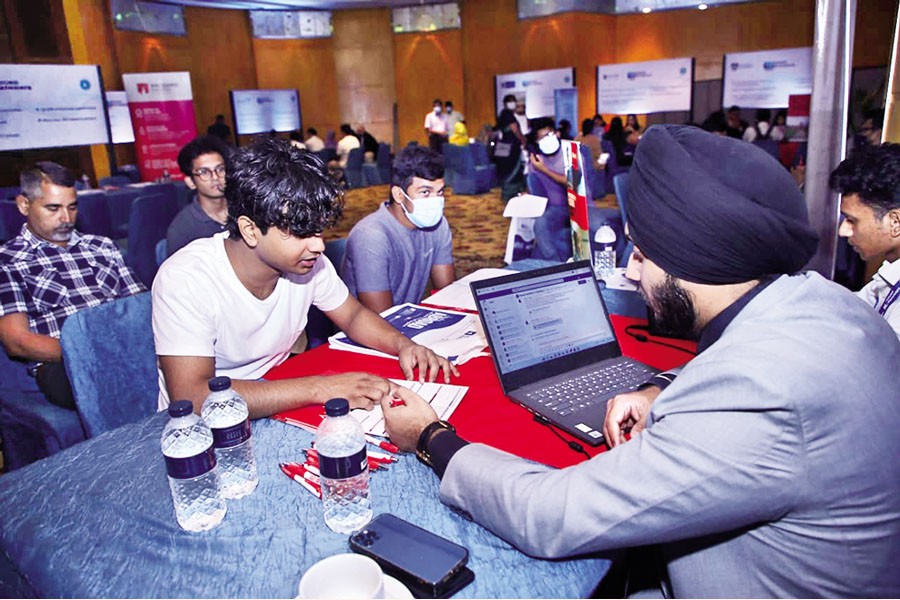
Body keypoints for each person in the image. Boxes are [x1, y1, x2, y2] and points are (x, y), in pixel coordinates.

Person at [378, 125, 900, 598]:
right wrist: (663, 386)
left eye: (644, 255)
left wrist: (431, 436)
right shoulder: (828, 302)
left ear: (691, 262)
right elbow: (754, 358)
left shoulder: (758, 396)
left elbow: (551, 515)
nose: (632, 272)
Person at [152, 138, 456, 417]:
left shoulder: (310, 264)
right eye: (300, 232)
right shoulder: (186, 278)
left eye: (318, 230)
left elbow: (352, 316)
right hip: (208, 427)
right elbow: (193, 397)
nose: (318, 245)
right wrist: (321, 388)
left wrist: (404, 345)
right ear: (249, 230)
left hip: (280, 392)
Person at [0, 162, 145, 408]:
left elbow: (141, 306)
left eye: (72, 207)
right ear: (24, 205)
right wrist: (91, 350)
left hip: (124, 349)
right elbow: (18, 341)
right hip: (63, 364)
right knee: (121, 384)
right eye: (53, 208)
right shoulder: (9, 259)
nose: (66, 218)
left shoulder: (102, 246)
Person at [341, 146, 455, 314]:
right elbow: (380, 318)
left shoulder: (438, 225)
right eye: (425, 192)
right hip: (366, 333)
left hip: (406, 321)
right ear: (399, 195)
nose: (435, 201)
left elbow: (447, 294)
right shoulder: (371, 235)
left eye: (440, 192)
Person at [830, 143, 900, 338]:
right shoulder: (889, 275)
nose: (843, 231)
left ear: (895, 222)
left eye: (852, 220)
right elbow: (845, 309)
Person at [168, 136, 231, 256]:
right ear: (190, 182)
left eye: (220, 169)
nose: (215, 177)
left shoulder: (245, 211)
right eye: (204, 172)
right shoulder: (182, 229)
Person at [528, 118, 571, 263]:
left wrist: (544, 170)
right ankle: (555, 264)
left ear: (557, 133)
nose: (546, 140)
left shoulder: (570, 152)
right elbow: (534, 185)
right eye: (541, 138)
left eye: (549, 135)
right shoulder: (536, 160)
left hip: (578, 205)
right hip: (556, 208)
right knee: (540, 223)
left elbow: (572, 183)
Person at [495, 94, 527, 201]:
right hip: (512, 148)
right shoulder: (509, 115)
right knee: (513, 170)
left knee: (505, 170)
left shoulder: (502, 114)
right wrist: (523, 140)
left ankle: (506, 193)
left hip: (502, 148)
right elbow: (515, 130)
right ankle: (511, 194)